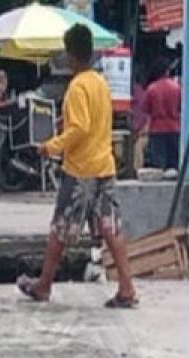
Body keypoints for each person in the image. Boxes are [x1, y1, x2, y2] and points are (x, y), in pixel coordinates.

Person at [18, 24, 137, 308]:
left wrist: (51, 146)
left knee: (61, 230)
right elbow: (93, 124)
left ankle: (44, 285)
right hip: (104, 166)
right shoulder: (100, 83)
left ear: (71, 55)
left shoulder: (77, 87)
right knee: (112, 228)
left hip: (81, 170)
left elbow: (80, 128)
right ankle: (127, 287)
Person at [144, 57, 181, 174]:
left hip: (156, 129)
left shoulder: (151, 89)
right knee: (173, 163)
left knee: (158, 165)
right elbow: (180, 107)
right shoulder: (177, 88)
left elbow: (147, 109)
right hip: (174, 127)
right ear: (166, 71)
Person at [130, 74, 149, 176]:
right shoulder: (132, 106)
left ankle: (138, 171)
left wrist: (141, 132)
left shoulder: (143, 99)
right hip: (135, 132)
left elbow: (149, 121)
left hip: (145, 133)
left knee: (138, 146)